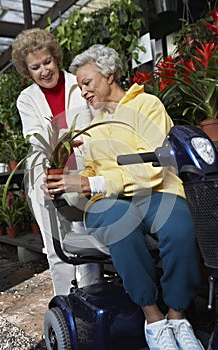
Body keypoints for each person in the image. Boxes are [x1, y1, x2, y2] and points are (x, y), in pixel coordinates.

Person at [43, 44, 204, 350]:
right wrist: (60, 179)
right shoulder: (89, 124)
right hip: (109, 202)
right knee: (120, 223)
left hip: (158, 192)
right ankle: (154, 320)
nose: (84, 92)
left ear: (109, 74)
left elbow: (154, 169)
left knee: (180, 226)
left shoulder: (147, 105)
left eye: (87, 83)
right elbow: (88, 173)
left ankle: (178, 317)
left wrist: (95, 182)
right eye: (79, 87)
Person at [11, 28, 100, 295]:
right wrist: (67, 136)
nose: (44, 71)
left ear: (56, 58)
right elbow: (36, 137)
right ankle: (65, 299)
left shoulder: (79, 82)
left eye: (47, 62)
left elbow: (94, 124)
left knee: (87, 234)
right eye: (35, 67)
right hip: (45, 173)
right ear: (27, 71)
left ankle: (92, 294)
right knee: (55, 241)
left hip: (84, 170)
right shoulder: (26, 99)